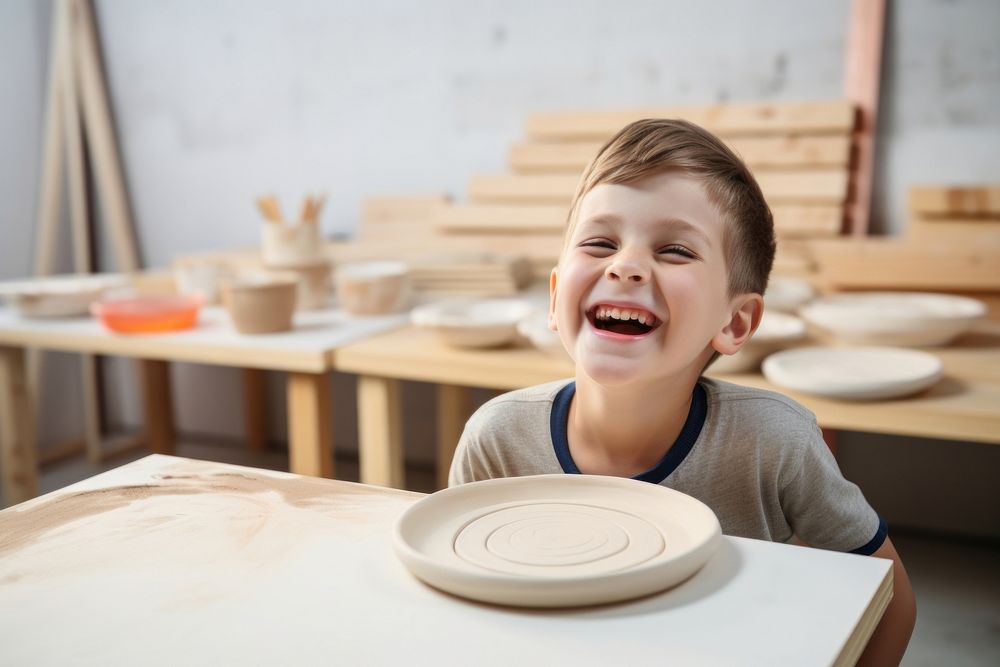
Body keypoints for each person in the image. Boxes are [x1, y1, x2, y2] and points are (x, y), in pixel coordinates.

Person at [448, 118, 915, 665]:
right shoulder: (496, 439)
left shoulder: (774, 443)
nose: (625, 266)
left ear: (736, 322)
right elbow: (461, 609)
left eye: (674, 251)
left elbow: (891, 599)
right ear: (555, 299)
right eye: (600, 242)